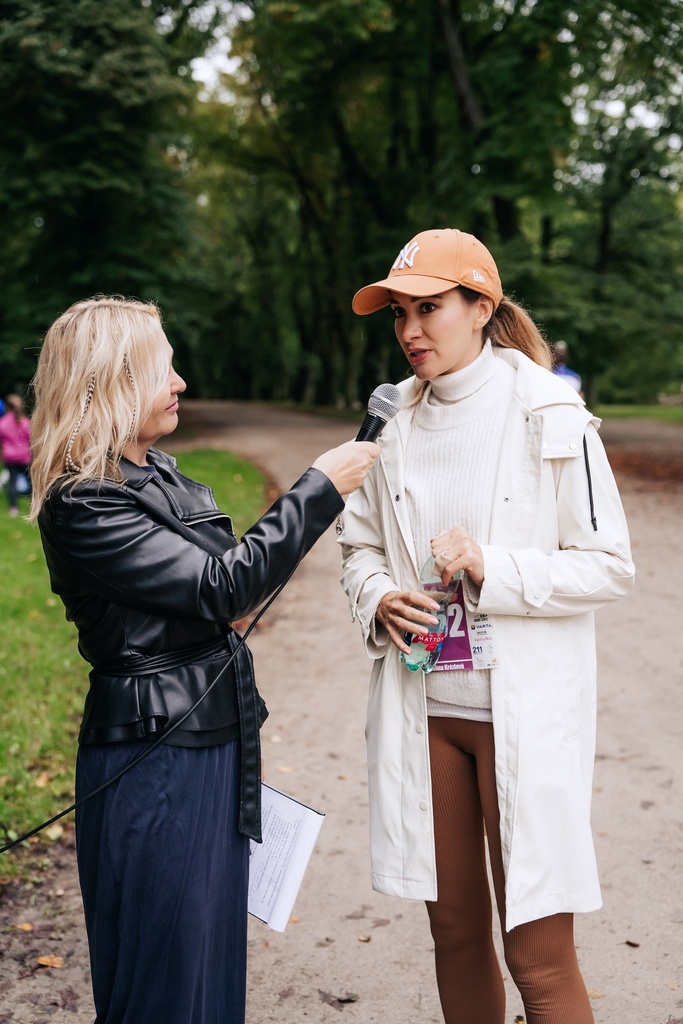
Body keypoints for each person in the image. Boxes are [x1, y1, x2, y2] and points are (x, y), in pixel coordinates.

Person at [29, 295, 380, 1024]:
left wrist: (232, 589)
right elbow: (227, 586)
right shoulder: (83, 503)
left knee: (208, 966)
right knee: (164, 974)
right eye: (164, 369)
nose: (180, 382)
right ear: (111, 380)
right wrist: (318, 486)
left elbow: (233, 594)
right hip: (154, 758)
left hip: (215, 744)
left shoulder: (161, 475)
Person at [338, 228, 635, 1024]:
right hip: (424, 710)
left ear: (480, 307)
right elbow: (357, 546)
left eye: (427, 308)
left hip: (519, 715)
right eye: (398, 313)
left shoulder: (551, 413)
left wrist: (489, 567)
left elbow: (609, 565)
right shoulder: (389, 422)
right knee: (454, 934)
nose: (409, 331)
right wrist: (379, 597)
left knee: (537, 956)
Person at [0, 393, 32, 515]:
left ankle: (13, 508)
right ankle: (34, 504)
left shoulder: (2, 423)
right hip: (24, 456)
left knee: (12, 482)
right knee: (31, 482)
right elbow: (30, 440)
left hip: (9, 456)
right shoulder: (25, 422)